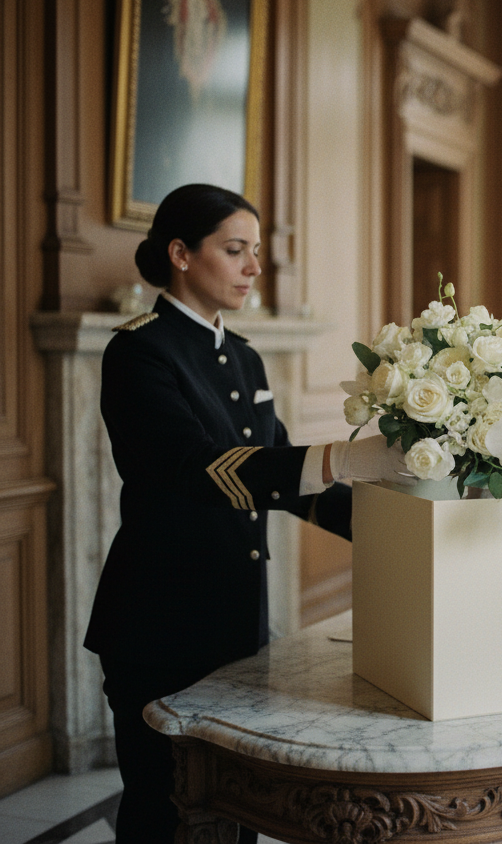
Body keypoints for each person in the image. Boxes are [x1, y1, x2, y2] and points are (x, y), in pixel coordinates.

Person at [83, 183, 413, 843]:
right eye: (235, 251)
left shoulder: (244, 355)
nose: (254, 269)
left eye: (255, 251)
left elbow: (284, 480)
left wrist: (396, 534)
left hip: (238, 622)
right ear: (180, 253)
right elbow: (203, 470)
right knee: (164, 809)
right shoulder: (139, 351)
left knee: (237, 803)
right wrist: (346, 459)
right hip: (159, 624)